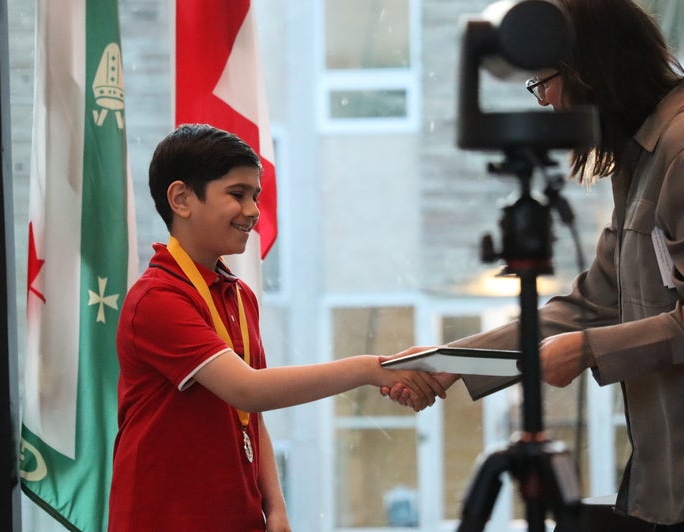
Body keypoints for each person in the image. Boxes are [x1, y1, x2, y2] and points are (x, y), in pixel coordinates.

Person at [390, 0, 684, 529]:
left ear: (590, 69)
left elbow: (600, 325)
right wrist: (450, 359)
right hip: (661, 481)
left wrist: (588, 349)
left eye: (544, 81)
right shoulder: (642, 156)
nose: (544, 100)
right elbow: (596, 303)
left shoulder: (681, 150)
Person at [107, 123, 446, 531]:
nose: (252, 210)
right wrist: (372, 368)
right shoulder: (157, 298)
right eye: (237, 194)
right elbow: (247, 388)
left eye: (256, 196)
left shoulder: (238, 295)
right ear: (181, 199)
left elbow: (249, 412)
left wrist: (277, 509)